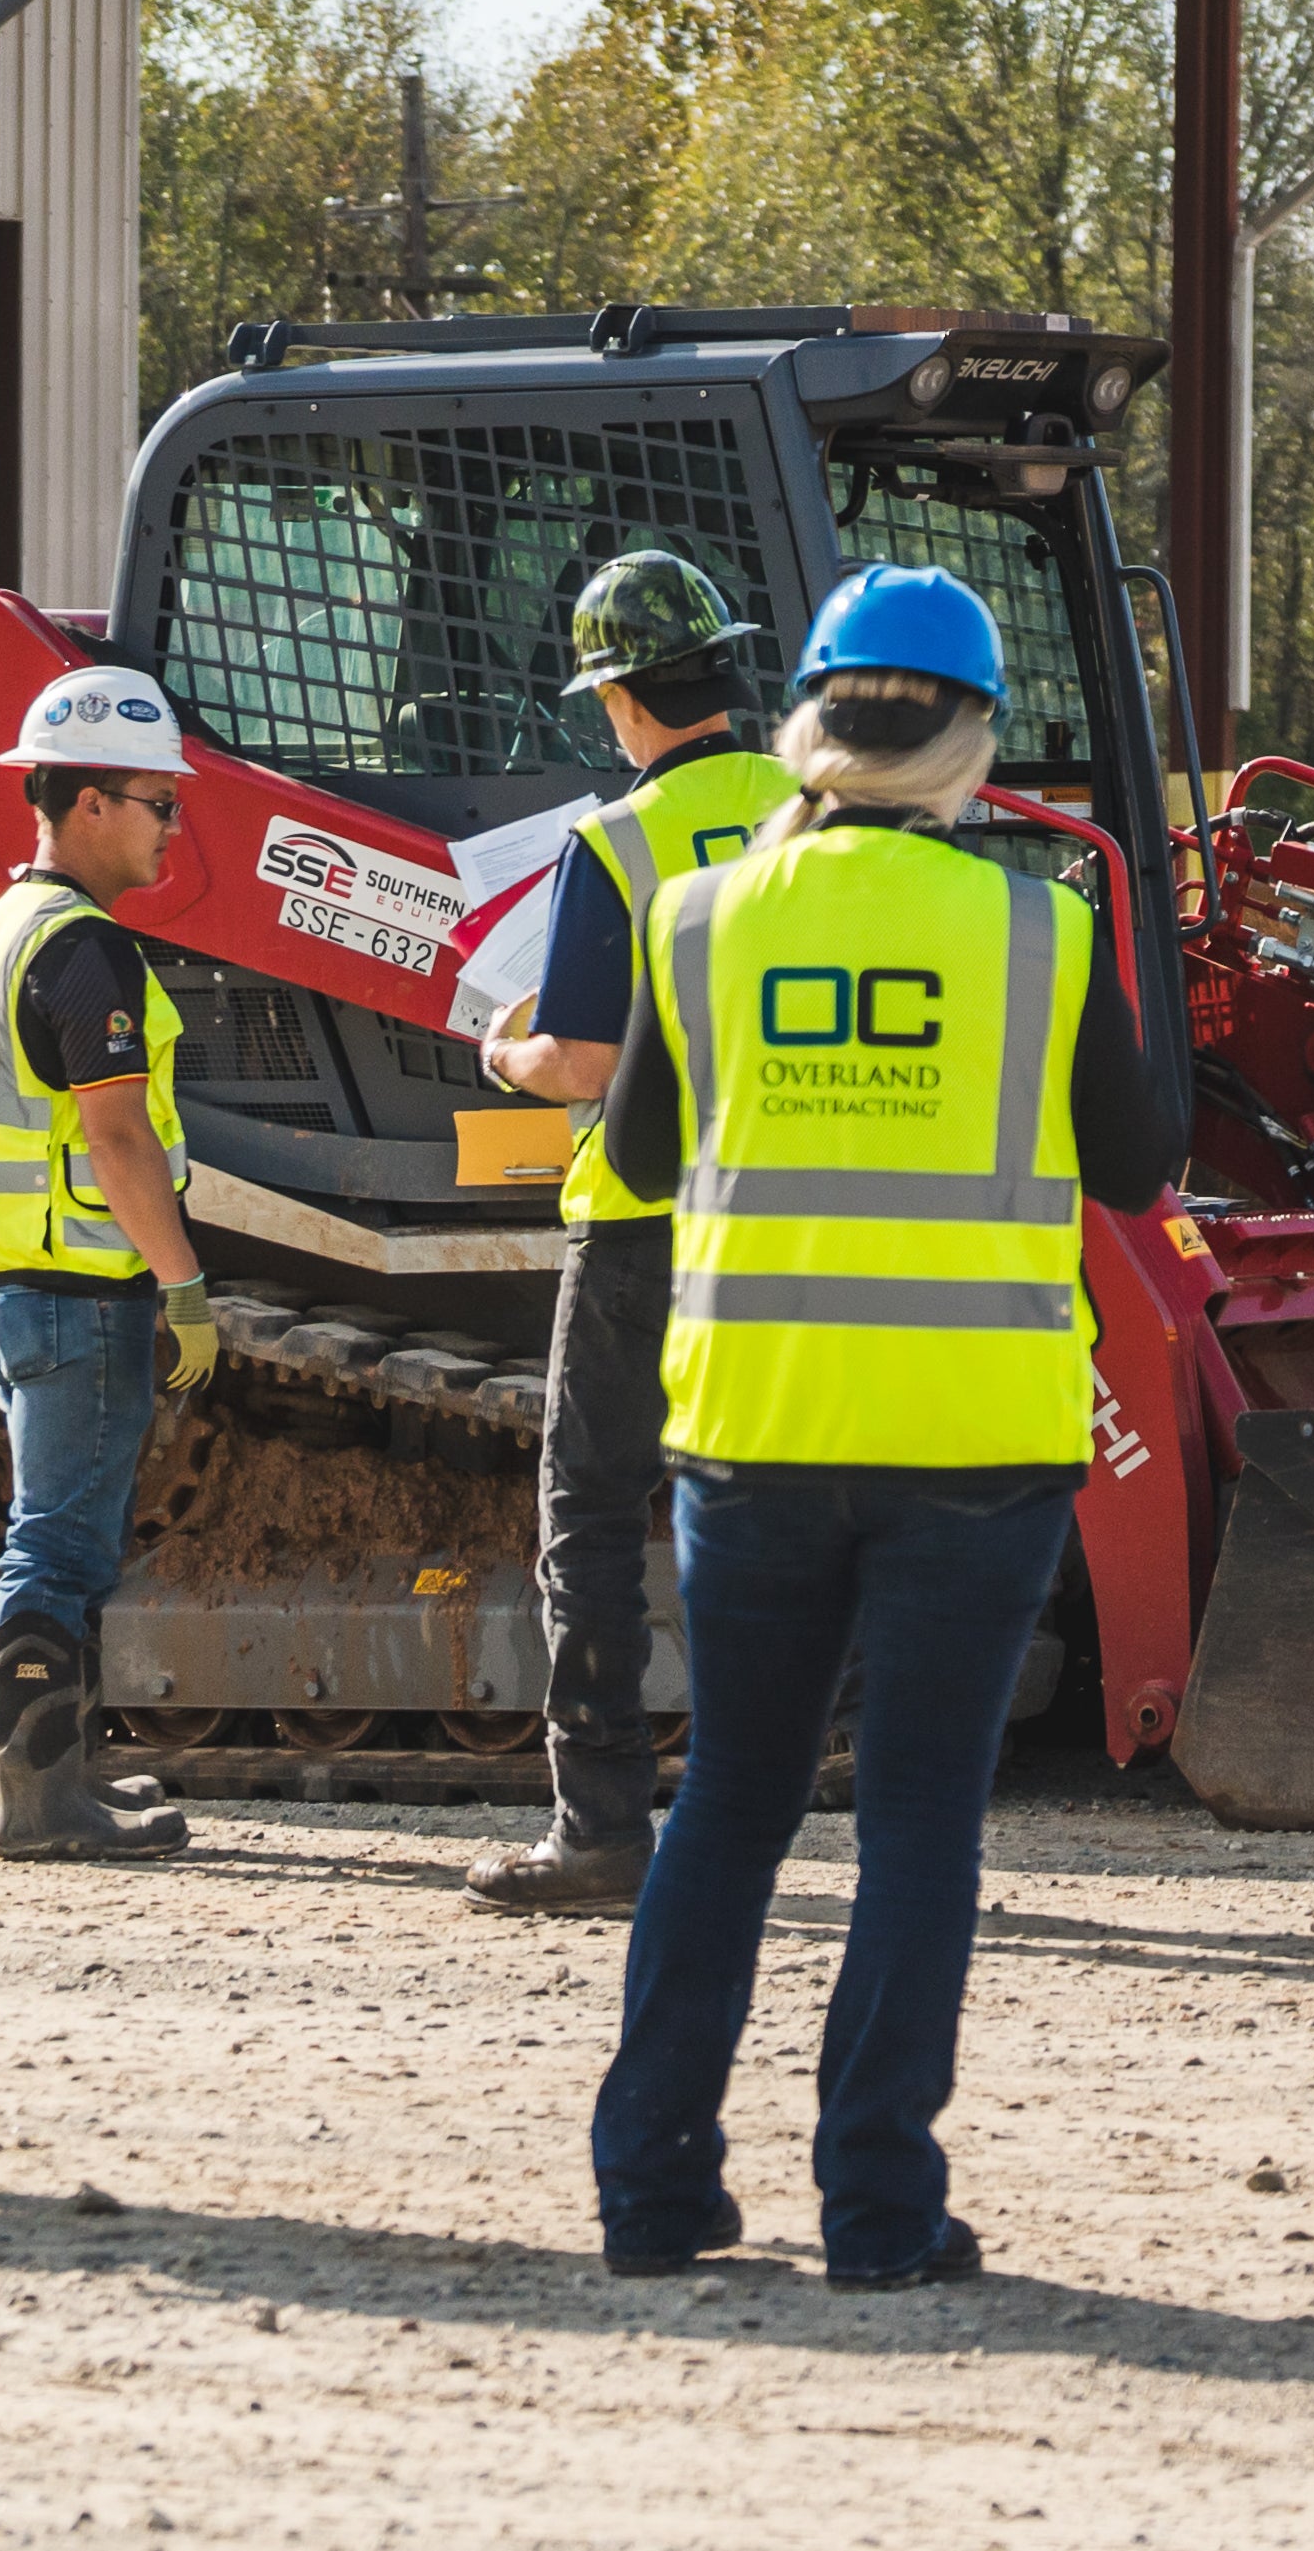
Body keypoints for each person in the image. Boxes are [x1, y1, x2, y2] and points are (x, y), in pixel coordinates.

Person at [585, 564, 1182, 2291]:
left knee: (730, 1799)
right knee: (919, 1818)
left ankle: (651, 2192)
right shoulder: (1039, 930)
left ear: (808, 723)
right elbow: (1139, 1163)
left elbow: (634, 1157)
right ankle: (876, 2209)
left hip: (755, 1427)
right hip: (974, 1443)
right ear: (972, 745)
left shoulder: (700, 918)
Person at [466, 551, 800, 1917]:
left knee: (592, 1515)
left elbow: (585, 1062)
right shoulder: (814, 810)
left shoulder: (611, 843)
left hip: (641, 1229)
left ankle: (600, 1828)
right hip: (790, 1217)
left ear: (617, 700)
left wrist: (503, 1053)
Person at [0, 666, 212, 1863]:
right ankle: (43, 1804)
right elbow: (117, 1137)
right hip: (75, 1289)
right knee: (57, 1549)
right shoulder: (83, 948)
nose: (173, 825)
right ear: (89, 802)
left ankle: (63, 1777)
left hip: (5, 1285)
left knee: (55, 1541)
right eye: (161, 801)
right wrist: (183, 1282)